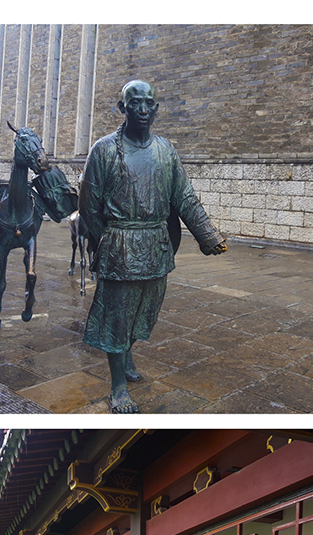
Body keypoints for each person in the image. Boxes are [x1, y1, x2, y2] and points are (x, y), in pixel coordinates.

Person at [79, 79, 228, 413]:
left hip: (156, 247)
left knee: (146, 312)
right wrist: (108, 243)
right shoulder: (104, 150)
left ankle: (128, 353)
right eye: (135, 103)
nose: (143, 110)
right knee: (117, 318)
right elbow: (88, 206)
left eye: (149, 103)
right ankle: (117, 386)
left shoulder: (165, 151)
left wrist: (208, 235)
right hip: (120, 245)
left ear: (156, 109)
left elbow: (184, 196)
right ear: (122, 108)